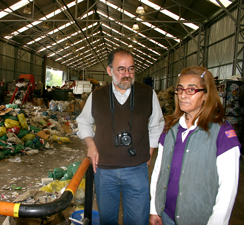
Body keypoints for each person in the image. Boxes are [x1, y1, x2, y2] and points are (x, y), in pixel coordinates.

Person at [77, 48, 164, 225]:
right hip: (105, 171)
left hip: (137, 169)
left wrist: (150, 150)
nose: (127, 74)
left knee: (138, 220)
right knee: (108, 220)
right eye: (121, 69)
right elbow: (83, 122)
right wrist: (91, 145)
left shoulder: (148, 94)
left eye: (131, 69)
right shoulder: (97, 96)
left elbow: (158, 124)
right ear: (110, 71)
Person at [150, 66, 241, 225]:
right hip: (166, 215)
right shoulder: (170, 128)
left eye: (191, 90)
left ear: (206, 95)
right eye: (180, 89)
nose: (183, 95)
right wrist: (154, 209)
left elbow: (228, 188)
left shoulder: (222, 133)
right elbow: (159, 171)